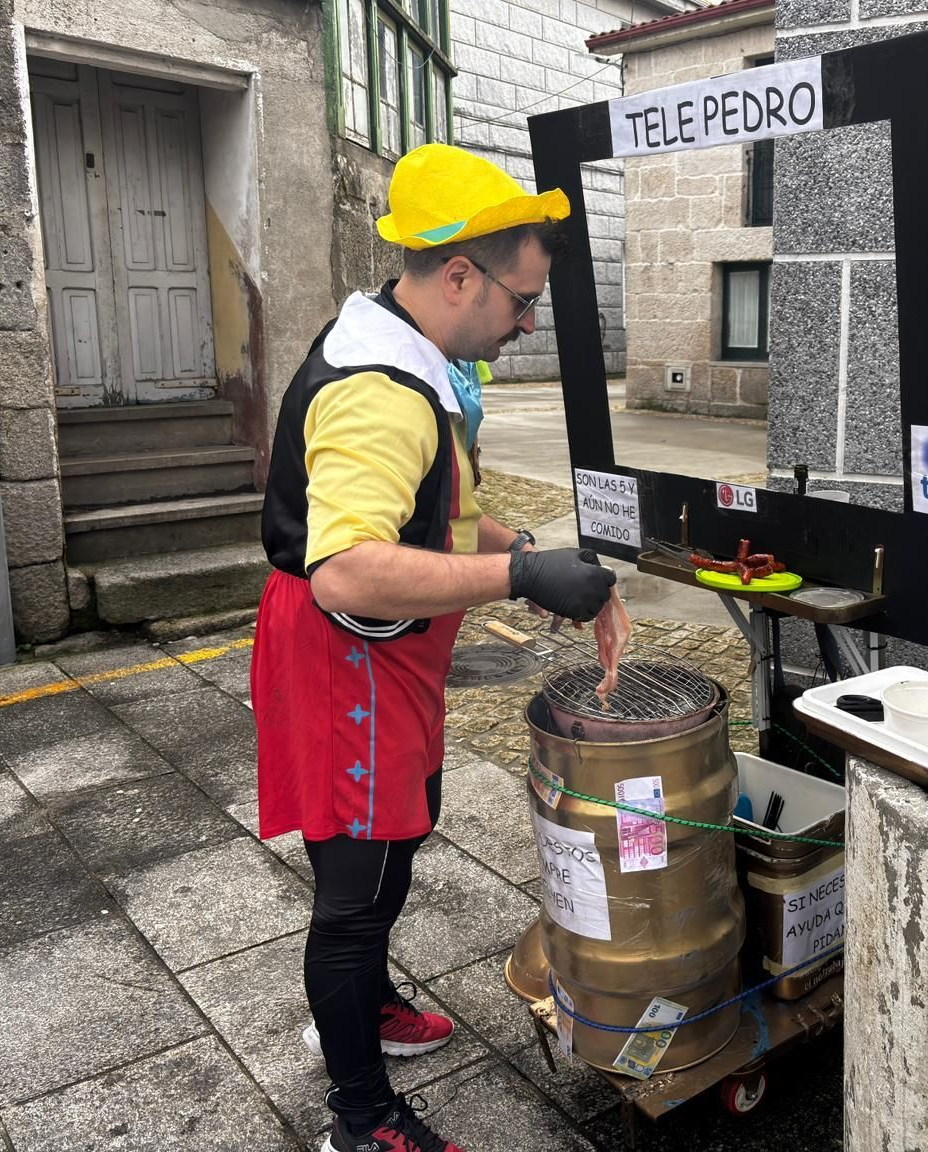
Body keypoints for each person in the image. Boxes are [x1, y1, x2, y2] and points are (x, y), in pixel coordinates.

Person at [251, 144, 618, 1152]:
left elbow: (433, 512)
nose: (526, 322)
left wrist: (527, 548)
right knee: (356, 889)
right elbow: (350, 569)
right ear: (458, 274)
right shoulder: (377, 386)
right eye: (520, 301)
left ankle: (366, 1017)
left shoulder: (412, 353)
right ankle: (361, 1118)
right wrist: (516, 577)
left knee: (399, 836)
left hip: (386, 656)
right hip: (347, 658)